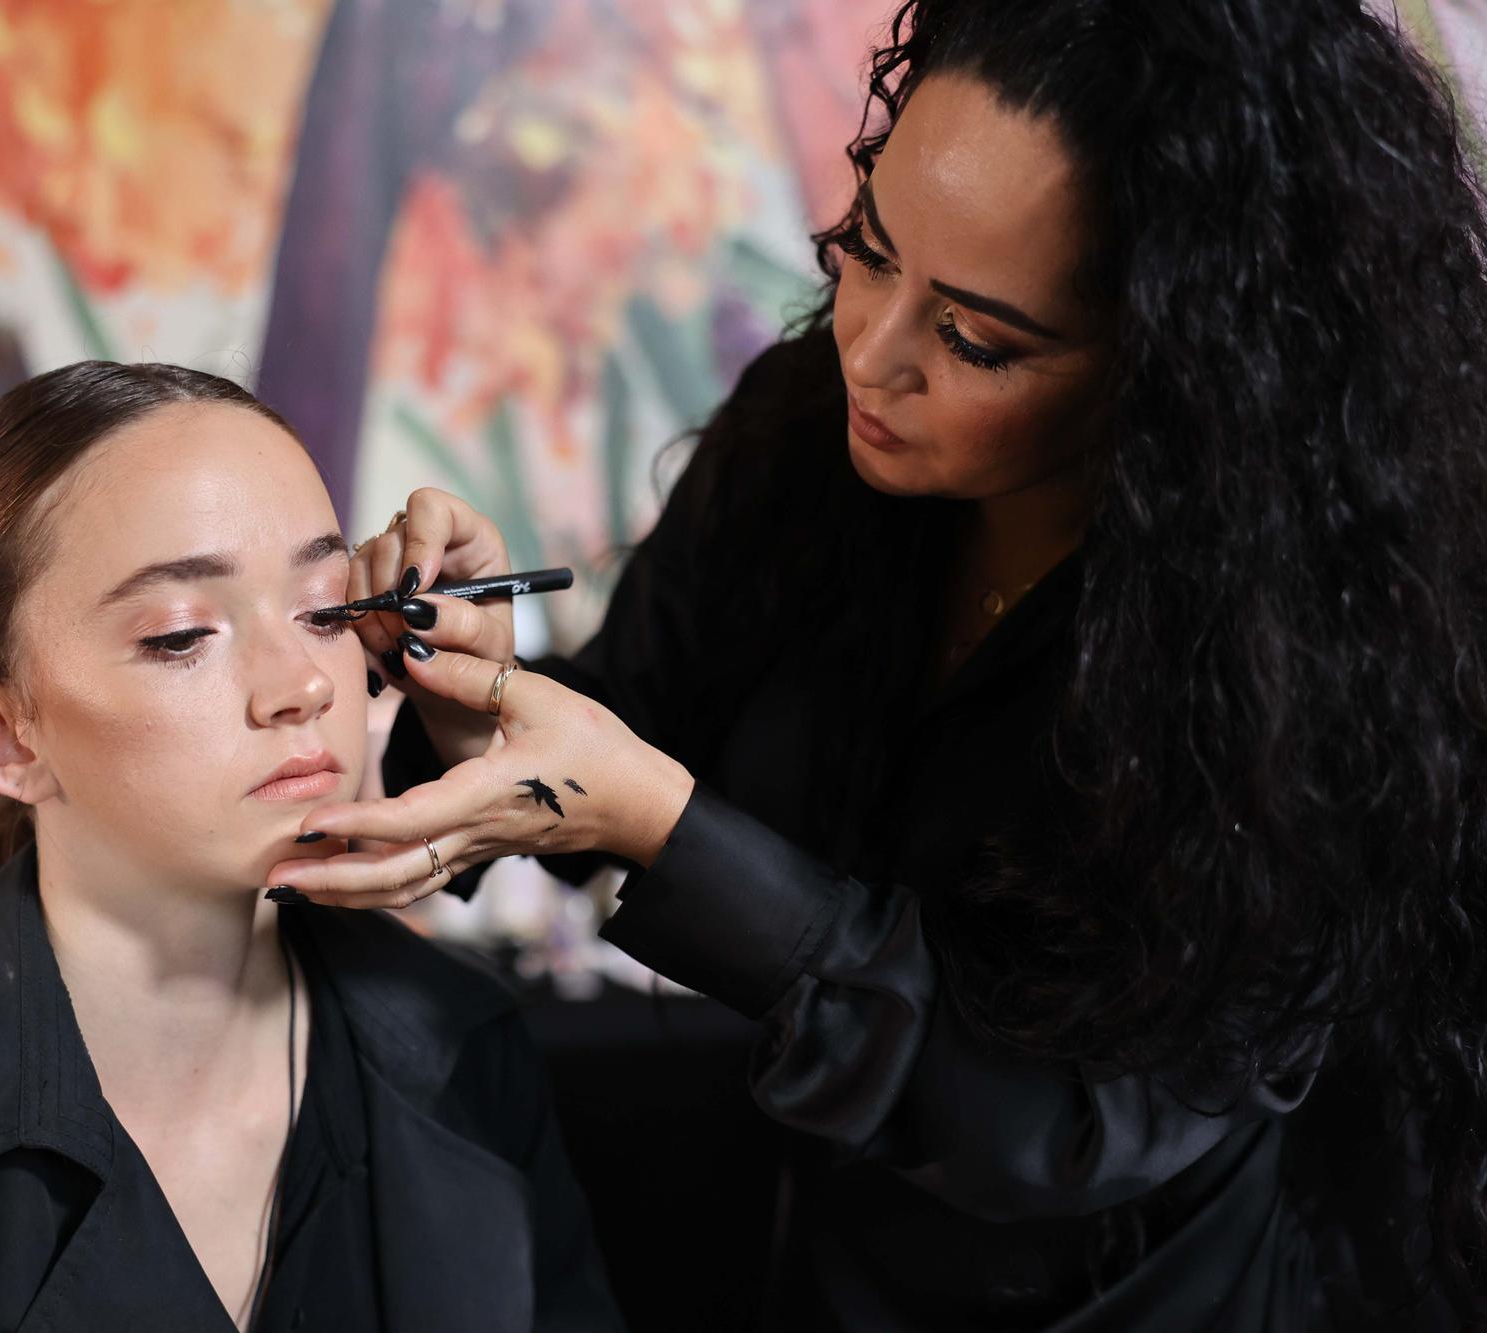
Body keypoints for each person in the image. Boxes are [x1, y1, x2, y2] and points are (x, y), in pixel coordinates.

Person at [267, 1, 1487, 1327]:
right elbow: (634, 736)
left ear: (1179, 363)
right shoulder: (807, 451)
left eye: (975, 340)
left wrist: (664, 827)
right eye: (865, 247)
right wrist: (475, 686)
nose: (869, 347)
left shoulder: (1305, 648)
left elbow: (1065, 1123)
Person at [0, 363, 619, 1332]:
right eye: (179, 635)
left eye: (325, 609)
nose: (303, 684)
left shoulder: (463, 1054)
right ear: (2, 736)